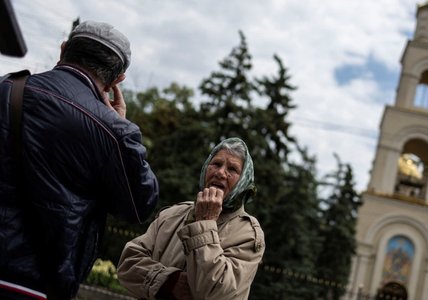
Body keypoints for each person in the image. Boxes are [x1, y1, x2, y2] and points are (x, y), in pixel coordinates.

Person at [0, 20, 159, 300]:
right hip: (33, 286)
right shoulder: (115, 132)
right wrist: (119, 128)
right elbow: (140, 206)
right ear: (117, 80)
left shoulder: (5, 89)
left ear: (63, 50)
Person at [117, 137, 265, 300]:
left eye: (232, 169)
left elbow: (214, 291)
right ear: (205, 169)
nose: (220, 172)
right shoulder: (172, 214)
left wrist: (205, 222)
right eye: (216, 164)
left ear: (243, 182)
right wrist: (169, 281)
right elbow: (127, 263)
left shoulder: (248, 234)